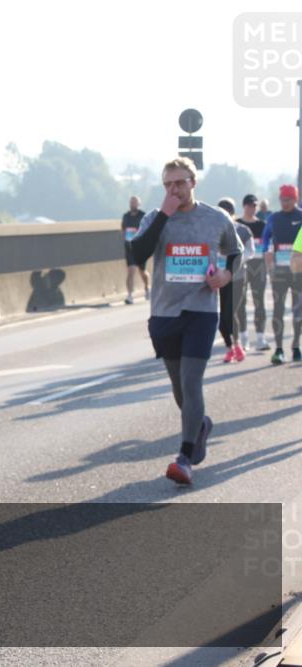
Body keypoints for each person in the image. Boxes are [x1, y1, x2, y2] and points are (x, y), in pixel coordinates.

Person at [129, 157, 242, 486]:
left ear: (193, 182)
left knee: (192, 382)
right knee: (179, 388)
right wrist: (164, 213)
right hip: (165, 312)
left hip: (202, 310)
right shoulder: (155, 217)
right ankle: (200, 425)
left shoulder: (215, 218)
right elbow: (137, 255)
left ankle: (185, 457)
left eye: (179, 183)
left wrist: (224, 273)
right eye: (167, 184)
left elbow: (235, 253)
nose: (174, 190)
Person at [260, 184, 302, 364]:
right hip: (279, 271)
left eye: (288, 199)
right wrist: (268, 259)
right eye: (282, 200)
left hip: (299, 271)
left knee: (298, 310)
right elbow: (265, 240)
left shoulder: (300, 216)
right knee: (278, 309)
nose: (285, 203)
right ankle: (278, 349)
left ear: (296, 199)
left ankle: (295, 346)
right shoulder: (273, 218)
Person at [216, 198, 253, 363]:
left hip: (238, 277)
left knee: (230, 313)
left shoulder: (243, 230)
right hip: (221, 278)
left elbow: (250, 251)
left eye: (227, 213)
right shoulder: (214, 231)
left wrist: (235, 261)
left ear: (233, 214)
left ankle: (236, 345)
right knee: (223, 316)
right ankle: (231, 347)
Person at [237, 194, 270, 351]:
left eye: (254, 205)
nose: (252, 208)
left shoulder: (263, 225)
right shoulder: (238, 225)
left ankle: (260, 337)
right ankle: (243, 338)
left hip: (259, 266)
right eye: (249, 205)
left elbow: (267, 247)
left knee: (259, 302)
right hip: (242, 267)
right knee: (240, 303)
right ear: (244, 206)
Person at [121, 195, 149, 304]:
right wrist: (125, 239)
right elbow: (123, 230)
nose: (133, 204)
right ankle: (129, 295)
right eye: (131, 202)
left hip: (141, 247)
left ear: (139, 204)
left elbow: (147, 230)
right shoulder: (126, 216)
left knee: (142, 271)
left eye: (135, 202)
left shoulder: (143, 215)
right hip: (130, 247)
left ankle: (147, 288)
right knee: (131, 271)